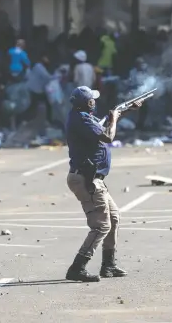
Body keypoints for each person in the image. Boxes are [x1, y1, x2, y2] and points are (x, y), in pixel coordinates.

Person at [65, 86, 142, 282]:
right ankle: (77, 267)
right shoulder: (81, 119)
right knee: (101, 226)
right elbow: (108, 136)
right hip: (87, 179)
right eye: (93, 100)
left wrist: (123, 112)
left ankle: (108, 265)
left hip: (93, 178)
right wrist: (115, 117)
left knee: (114, 218)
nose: (95, 102)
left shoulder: (82, 117)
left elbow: (103, 129)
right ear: (88, 103)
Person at [24, 55, 55, 123]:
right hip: (35, 89)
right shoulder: (39, 66)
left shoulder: (39, 66)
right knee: (46, 103)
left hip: (35, 89)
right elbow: (46, 77)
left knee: (33, 104)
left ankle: (27, 118)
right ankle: (48, 119)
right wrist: (56, 76)